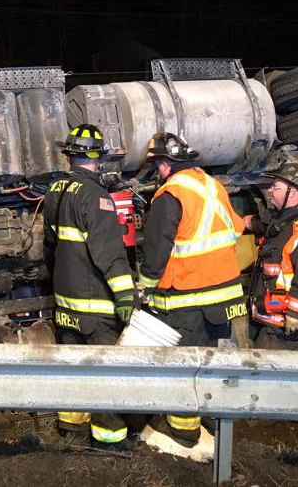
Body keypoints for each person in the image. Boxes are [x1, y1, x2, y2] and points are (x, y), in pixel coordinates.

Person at [137, 132, 246, 462]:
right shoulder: (214, 186)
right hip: (225, 297)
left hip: (188, 299)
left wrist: (144, 287)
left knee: (185, 367)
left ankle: (183, 434)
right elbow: (235, 230)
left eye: (157, 165)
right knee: (212, 362)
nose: (157, 172)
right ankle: (214, 422)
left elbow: (156, 253)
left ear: (166, 164)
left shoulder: (170, 193)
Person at [43, 123, 140, 449]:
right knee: (106, 373)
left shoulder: (55, 190)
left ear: (70, 156)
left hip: (66, 302)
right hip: (96, 308)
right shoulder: (95, 196)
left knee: (73, 370)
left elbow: (50, 247)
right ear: (98, 159)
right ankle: (109, 443)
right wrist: (126, 295)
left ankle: (72, 433)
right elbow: (109, 254)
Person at [244, 156, 298, 351]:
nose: (270, 191)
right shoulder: (286, 221)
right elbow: (266, 226)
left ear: (293, 192)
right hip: (276, 323)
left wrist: (295, 314)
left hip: (291, 331)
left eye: (275, 187)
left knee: (266, 378)